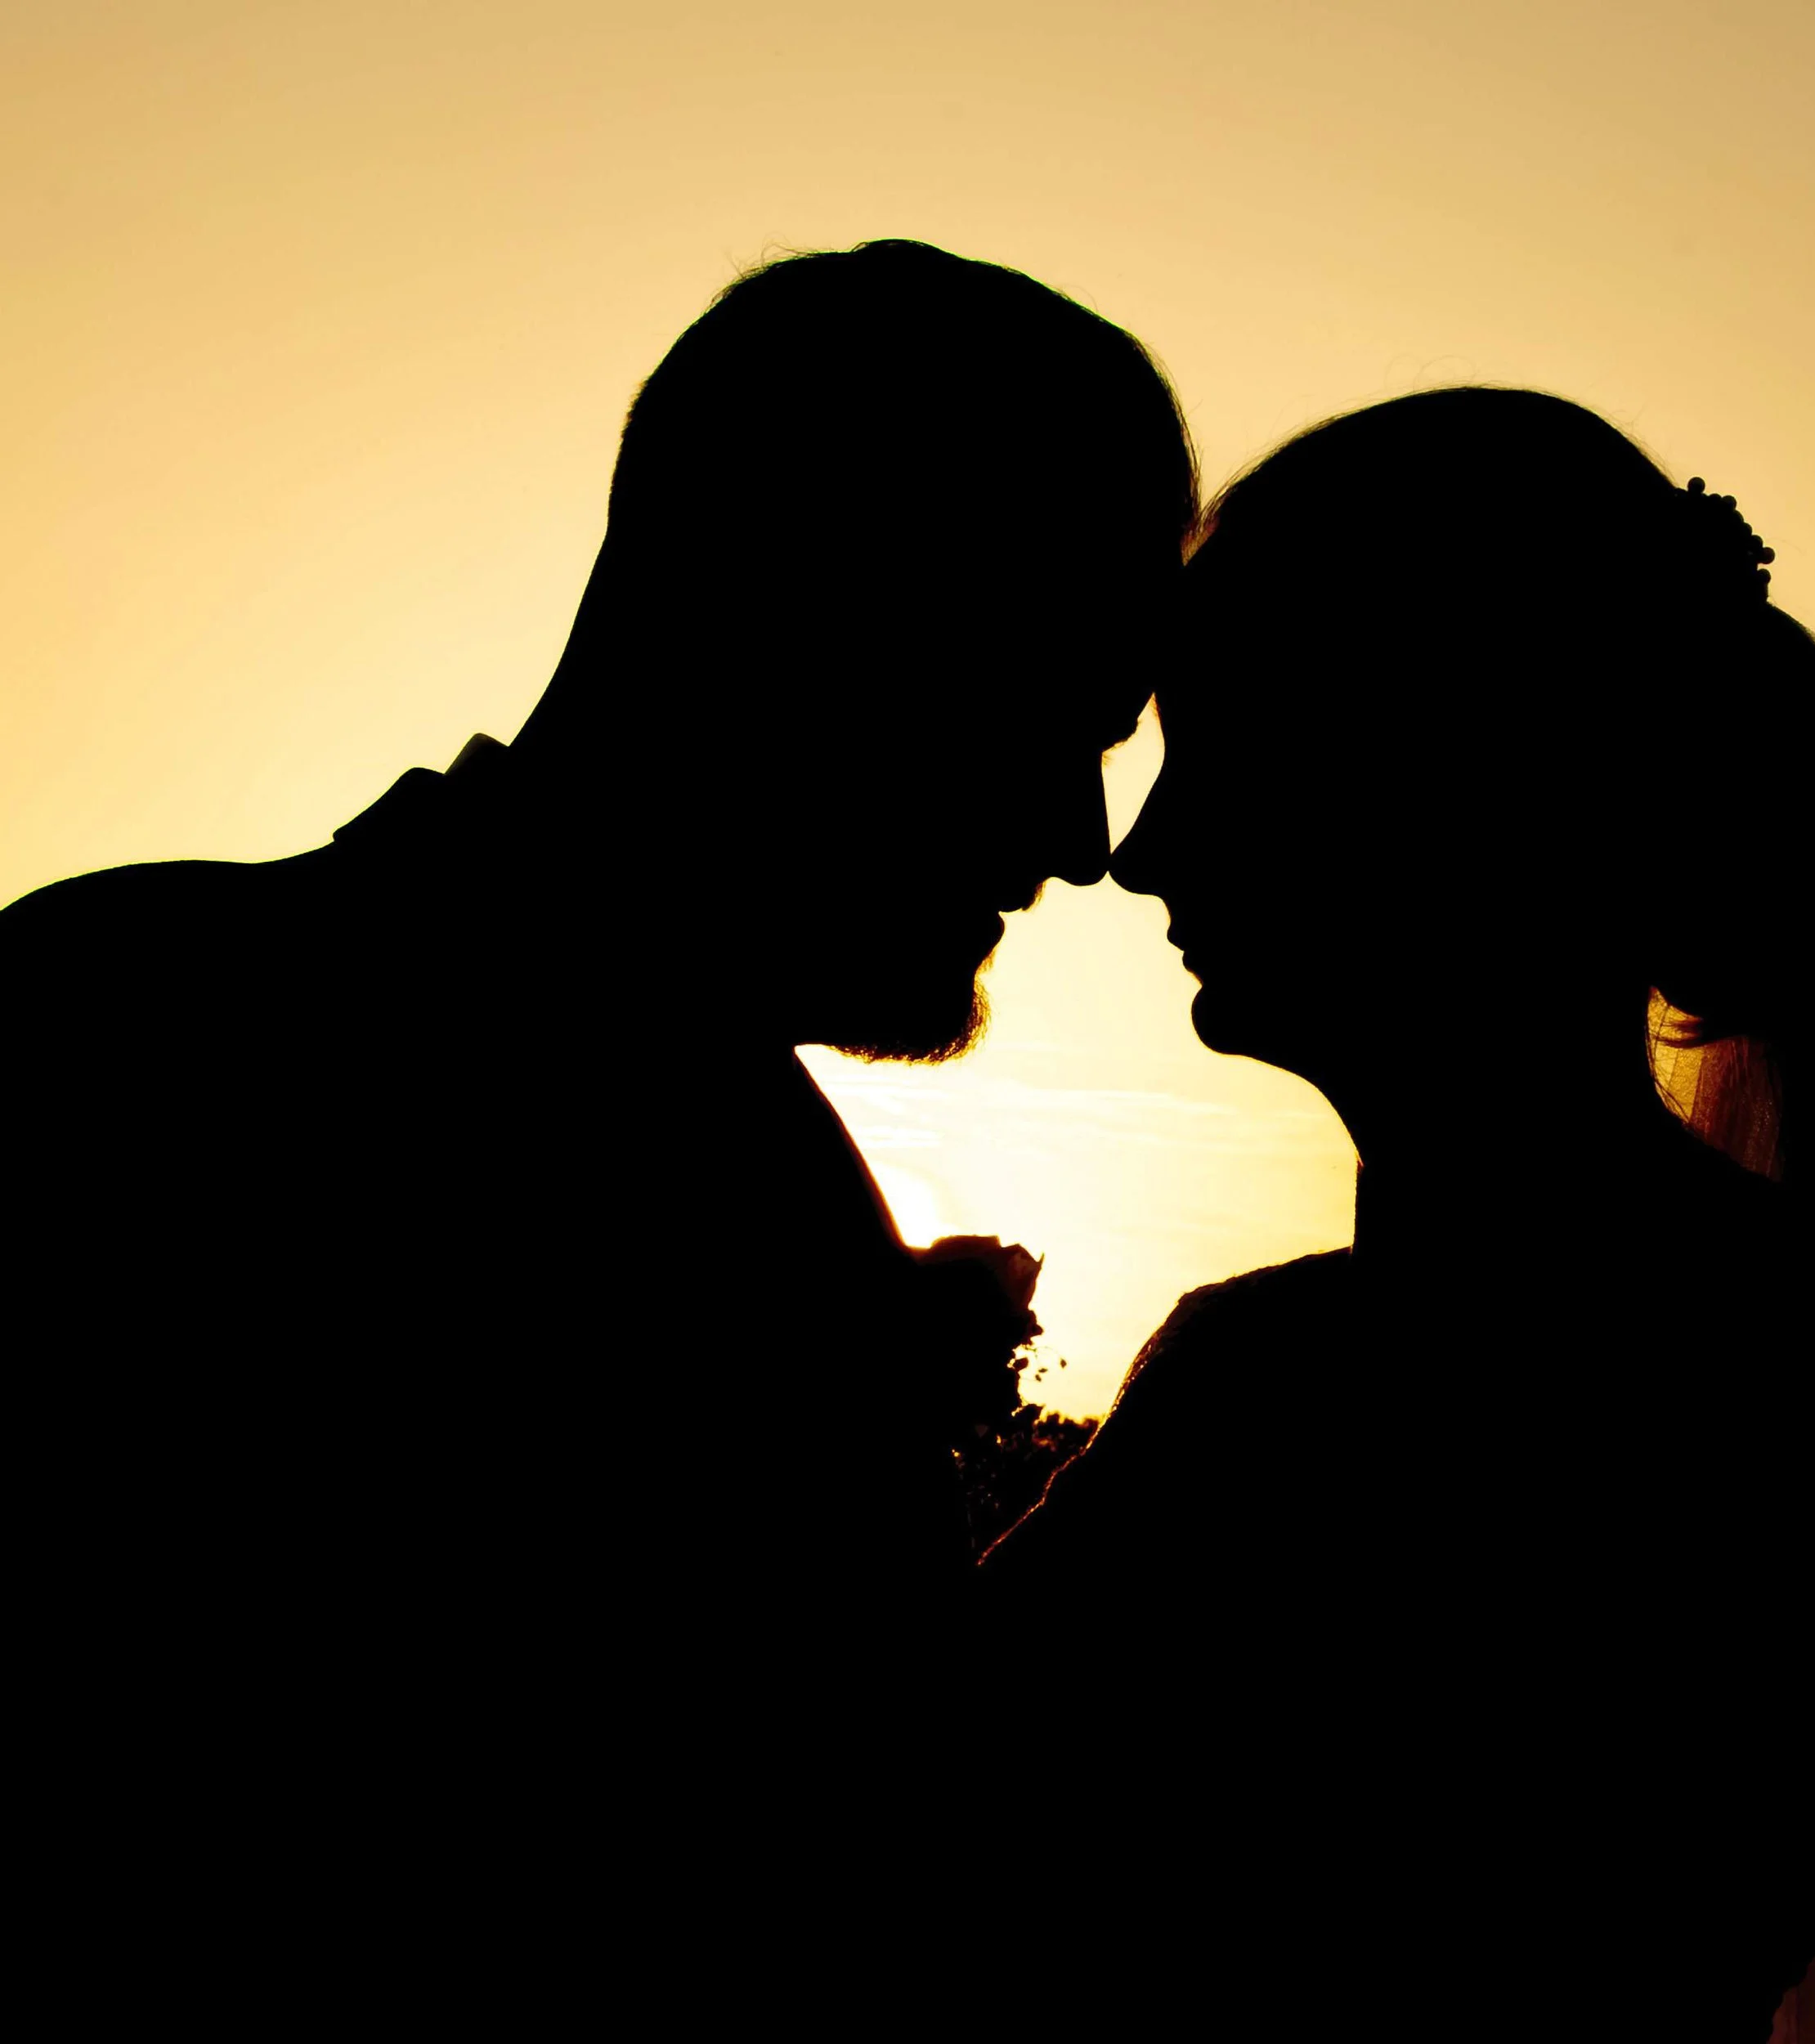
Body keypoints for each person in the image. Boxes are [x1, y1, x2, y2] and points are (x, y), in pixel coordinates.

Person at [5, 240, 1196, 1881]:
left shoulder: (123, 986)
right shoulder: (120, 1050)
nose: (1078, 839)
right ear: (801, 624)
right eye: (1048, 715)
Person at [984, 387, 1815, 2036]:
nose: (1142, 849)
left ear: (1436, 789)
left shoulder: (1285, 1397)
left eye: (1225, 751)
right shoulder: (1814, 1358)